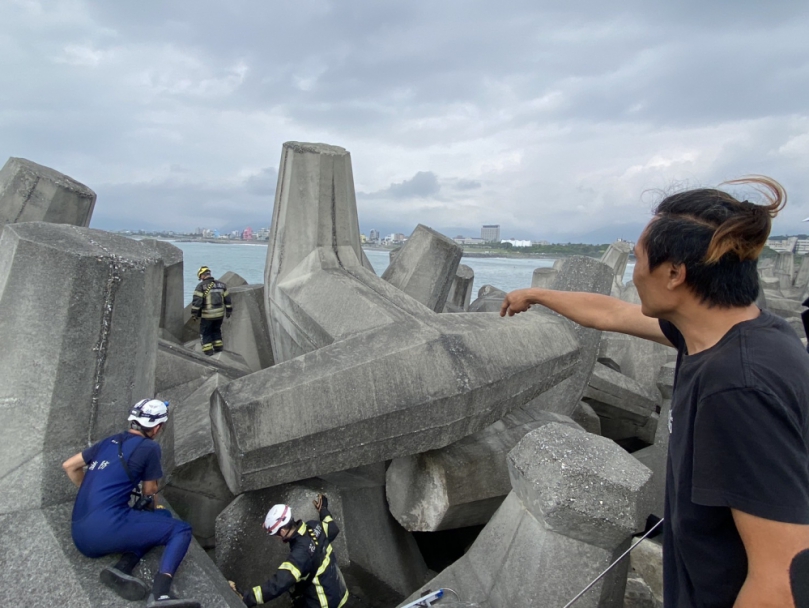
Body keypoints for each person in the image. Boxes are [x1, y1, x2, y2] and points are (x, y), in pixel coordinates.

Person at [500, 177, 809, 607]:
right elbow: (611, 312)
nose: (635, 272)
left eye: (639, 260)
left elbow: (783, 578)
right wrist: (535, 294)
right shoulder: (733, 332)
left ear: (675, 273)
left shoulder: (738, 388)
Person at [62, 399, 200, 608]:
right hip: (105, 530)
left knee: (160, 519)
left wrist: (92, 492)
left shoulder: (109, 441)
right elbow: (150, 491)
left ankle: (122, 567)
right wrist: (152, 512)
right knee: (180, 529)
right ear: (156, 428)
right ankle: (161, 593)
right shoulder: (149, 448)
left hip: (80, 534)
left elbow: (69, 466)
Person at [233, 494, 349, 608]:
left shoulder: (300, 554)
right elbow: (332, 528)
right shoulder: (314, 526)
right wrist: (323, 510)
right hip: (340, 592)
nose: (277, 538)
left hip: (324, 602)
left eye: (276, 534)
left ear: (283, 531)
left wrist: (246, 597)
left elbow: (279, 583)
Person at [190, 265, 233, 356]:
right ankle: (218, 348)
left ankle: (208, 352)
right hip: (219, 315)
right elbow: (227, 299)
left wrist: (194, 314)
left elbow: (197, 302)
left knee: (205, 332)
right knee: (216, 330)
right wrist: (228, 310)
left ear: (202, 275)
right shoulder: (222, 285)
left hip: (207, 315)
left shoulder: (200, 286)